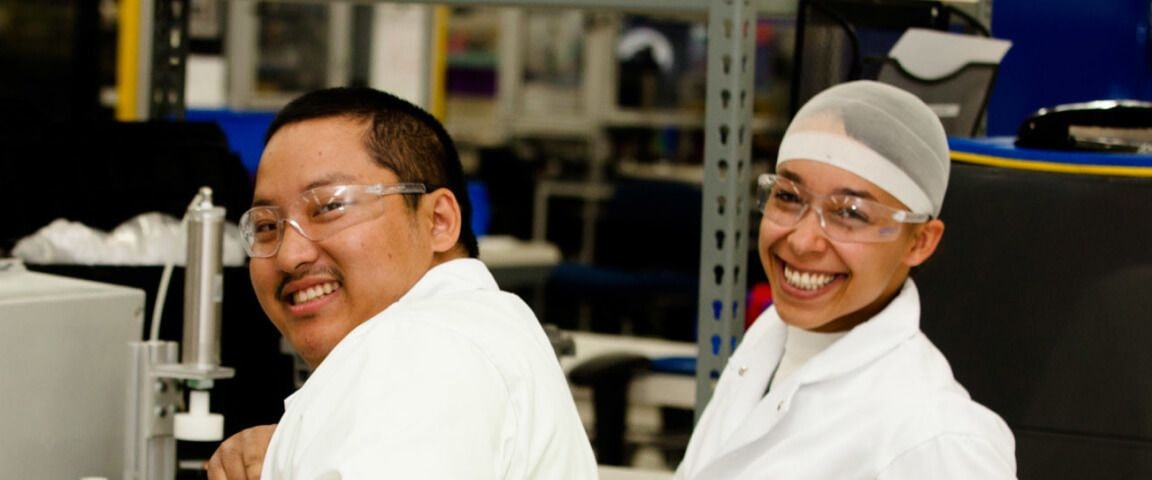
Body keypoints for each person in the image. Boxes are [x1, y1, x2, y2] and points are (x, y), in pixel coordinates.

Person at [204, 87, 596, 479]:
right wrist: (295, 449)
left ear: (438, 220)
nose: (290, 256)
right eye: (267, 226)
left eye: (329, 207)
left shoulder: (419, 345)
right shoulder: (476, 330)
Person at [674, 81, 1016, 479]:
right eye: (788, 196)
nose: (802, 241)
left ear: (920, 241)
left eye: (850, 213)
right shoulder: (768, 344)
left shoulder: (938, 439)